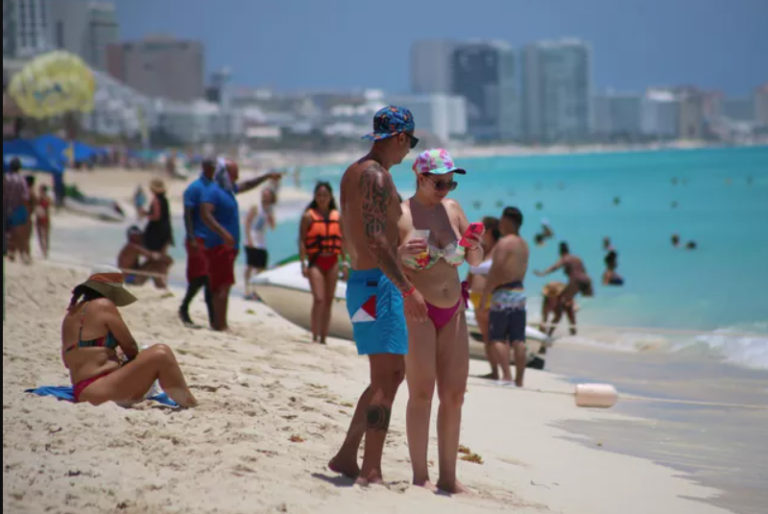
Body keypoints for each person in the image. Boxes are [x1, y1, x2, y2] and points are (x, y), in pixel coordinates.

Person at [328, 105, 427, 486]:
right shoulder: (378, 177)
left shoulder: (353, 172)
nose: (409, 151)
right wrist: (408, 287)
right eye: (410, 142)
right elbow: (376, 237)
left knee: (382, 377)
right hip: (379, 284)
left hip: (360, 281)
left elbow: (362, 236)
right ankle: (371, 470)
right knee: (389, 379)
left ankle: (347, 456)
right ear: (400, 137)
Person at [397, 148, 483, 493]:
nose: (446, 188)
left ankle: (449, 476)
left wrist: (475, 246)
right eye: (439, 182)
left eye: (451, 182)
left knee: (455, 395)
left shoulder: (453, 210)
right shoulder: (402, 215)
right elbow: (382, 261)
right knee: (421, 392)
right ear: (420, 177)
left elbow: (475, 259)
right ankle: (420, 476)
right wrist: (400, 256)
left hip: (454, 310)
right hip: (419, 310)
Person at [61, 265, 197, 407]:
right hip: (99, 390)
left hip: (82, 390)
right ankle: (190, 404)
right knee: (161, 353)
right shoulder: (103, 305)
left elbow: (67, 361)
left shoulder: (71, 315)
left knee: (153, 354)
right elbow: (131, 348)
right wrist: (119, 357)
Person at [201, 159, 282, 331]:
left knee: (223, 285)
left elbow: (247, 185)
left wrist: (266, 176)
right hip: (219, 245)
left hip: (229, 247)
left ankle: (219, 323)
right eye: (234, 172)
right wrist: (224, 233)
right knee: (221, 285)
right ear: (226, 173)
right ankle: (219, 324)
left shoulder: (228, 190)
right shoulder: (214, 191)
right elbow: (205, 214)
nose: (237, 176)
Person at [478, 207, 530, 387]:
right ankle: (520, 380)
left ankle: (506, 377)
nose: (500, 223)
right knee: (518, 339)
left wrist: (485, 297)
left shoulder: (504, 243)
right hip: (519, 292)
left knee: (498, 337)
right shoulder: (524, 244)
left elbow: (495, 271)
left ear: (508, 221)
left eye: (502, 220)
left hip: (502, 292)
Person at [299, 182, 344, 344]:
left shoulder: (337, 216)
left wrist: (345, 263)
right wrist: (303, 264)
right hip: (316, 261)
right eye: (319, 195)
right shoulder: (308, 216)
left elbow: (343, 241)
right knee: (319, 298)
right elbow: (302, 241)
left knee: (328, 300)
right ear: (315, 197)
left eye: (325, 195)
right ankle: (315, 335)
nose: (322, 198)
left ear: (330, 197)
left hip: (333, 260)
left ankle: (323, 338)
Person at [179, 158, 216, 328]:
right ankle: (185, 308)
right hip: (198, 238)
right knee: (201, 277)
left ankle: (212, 317)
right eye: (212, 167)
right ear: (205, 167)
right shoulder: (194, 188)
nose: (214, 169)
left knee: (209, 277)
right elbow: (187, 214)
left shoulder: (215, 187)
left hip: (212, 240)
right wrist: (191, 237)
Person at [466, 216, 501, 379]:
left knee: (494, 336)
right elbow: (470, 274)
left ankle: (501, 372)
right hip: (476, 297)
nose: (480, 232)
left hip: (491, 297)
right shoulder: (482, 250)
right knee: (487, 337)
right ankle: (495, 371)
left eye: (483, 230)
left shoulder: (499, 250)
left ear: (491, 231)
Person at [535, 241, 593, 336]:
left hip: (575, 281)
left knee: (567, 306)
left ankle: (572, 329)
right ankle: (572, 327)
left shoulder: (565, 258)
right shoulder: (577, 258)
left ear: (560, 252)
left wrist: (543, 273)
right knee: (566, 305)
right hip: (586, 280)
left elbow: (555, 267)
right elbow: (584, 271)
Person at [244, 187, 277, 300]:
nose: (265, 198)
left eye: (268, 196)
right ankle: (247, 289)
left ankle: (256, 291)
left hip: (261, 242)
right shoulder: (255, 206)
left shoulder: (269, 210)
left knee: (261, 268)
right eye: (264, 195)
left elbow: (272, 227)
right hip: (252, 239)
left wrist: (270, 216)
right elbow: (247, 222)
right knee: (250, 266)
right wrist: (249, 239)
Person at [4, 158, 30, 263]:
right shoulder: (21, 180)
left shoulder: (5, 178)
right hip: (16, 210)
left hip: (5, 208)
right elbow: (25, 197)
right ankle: (14, 252)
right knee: (16, 231)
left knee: (6, 231)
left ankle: (8, 251)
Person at [142, 179, 174, 255]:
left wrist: (147, 215)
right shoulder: (165, 200)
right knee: (162, 253)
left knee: (154, 253)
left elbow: (157, 216)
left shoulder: (156, 200)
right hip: (166, 228)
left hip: (157, 230)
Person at [22, 175, 37, 263]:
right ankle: (27, 255)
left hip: (20, 216)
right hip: (27, 217)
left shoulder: (23, 192)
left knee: (20, 236)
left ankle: (22, 254)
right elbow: (35, 204)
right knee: (27, 237)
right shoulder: (31, 192)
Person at [35, 184, 52, 258]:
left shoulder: (43, 198)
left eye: (40, 190)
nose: (39, 191)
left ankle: (45, 251)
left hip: (43, 218)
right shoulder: (46, 198)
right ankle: (44, 251)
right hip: (42, 218)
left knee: (44, 235)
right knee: (42, 235)